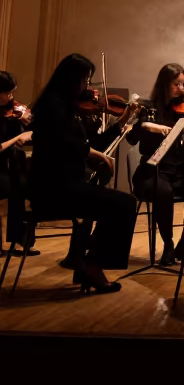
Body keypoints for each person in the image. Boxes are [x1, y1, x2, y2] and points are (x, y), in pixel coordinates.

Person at [28, 54, 138, 294]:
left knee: (122, 203)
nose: (88, 87)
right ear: (72, 79)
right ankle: (92, 266)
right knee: (124, 204)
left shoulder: (66, 107)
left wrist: (120, 124)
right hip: (54, 189)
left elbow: (91, 142)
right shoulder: (52, 108)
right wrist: (97, 155)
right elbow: (67, 144)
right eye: (86, 80)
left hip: (68, 184)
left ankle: (87, 263)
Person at [128, 63, 184, 268]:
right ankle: (168, 245)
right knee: (164, 192)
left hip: (180, 170)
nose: (181, 89)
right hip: (151, 171)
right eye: (176, 84)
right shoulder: (149, 107)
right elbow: (131, 139)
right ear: (164, 84)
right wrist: (143, 124)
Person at [0, 70, 33, 255]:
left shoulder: (11, 109)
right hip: (1, 165)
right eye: (8, 93)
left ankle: (20, 241)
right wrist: (18, 136)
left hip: (10, 163)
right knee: (15, 186)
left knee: (22, 185)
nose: (12, 97)